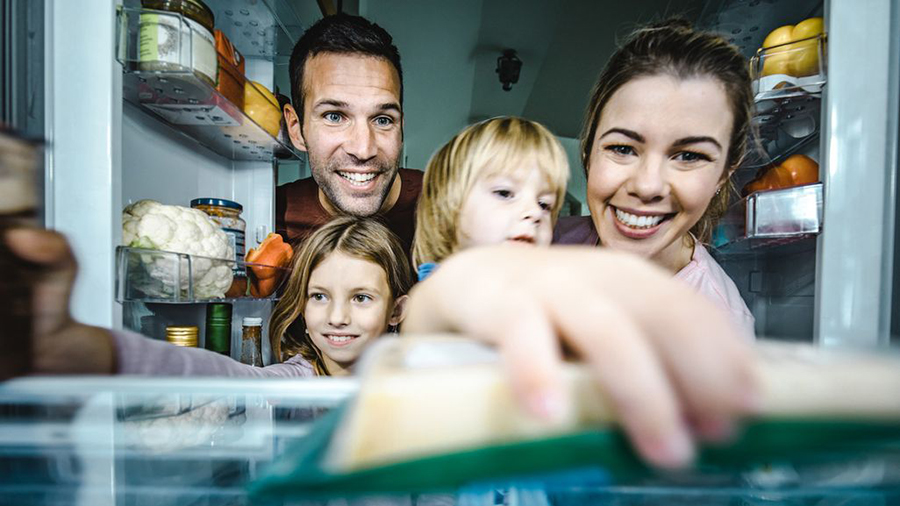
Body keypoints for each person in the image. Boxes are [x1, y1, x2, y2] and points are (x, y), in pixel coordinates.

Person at [553, 19, 755, 336]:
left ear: (723, 175)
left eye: (689, 156)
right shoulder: (542, 244)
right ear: (589, 150)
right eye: (622, 148)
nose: (647, 186)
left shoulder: (721, 328)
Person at [277, 14, 422, 254]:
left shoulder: (446, 206)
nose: (363, 150)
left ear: (401, 128)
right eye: (334, 116)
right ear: (296, 128)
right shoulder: (272, 215)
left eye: (383, 120)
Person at [412, 116, 569, 278]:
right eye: (504, 193)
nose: (535, 212)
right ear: (445, 211)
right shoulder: (438, 285)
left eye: (544, 205)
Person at [269, 216, 414, 375]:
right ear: (302, 306)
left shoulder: (416, 380)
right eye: (319, 296)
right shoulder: (288, 380)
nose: (337, 318)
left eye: (360, 298)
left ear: (396, 311)